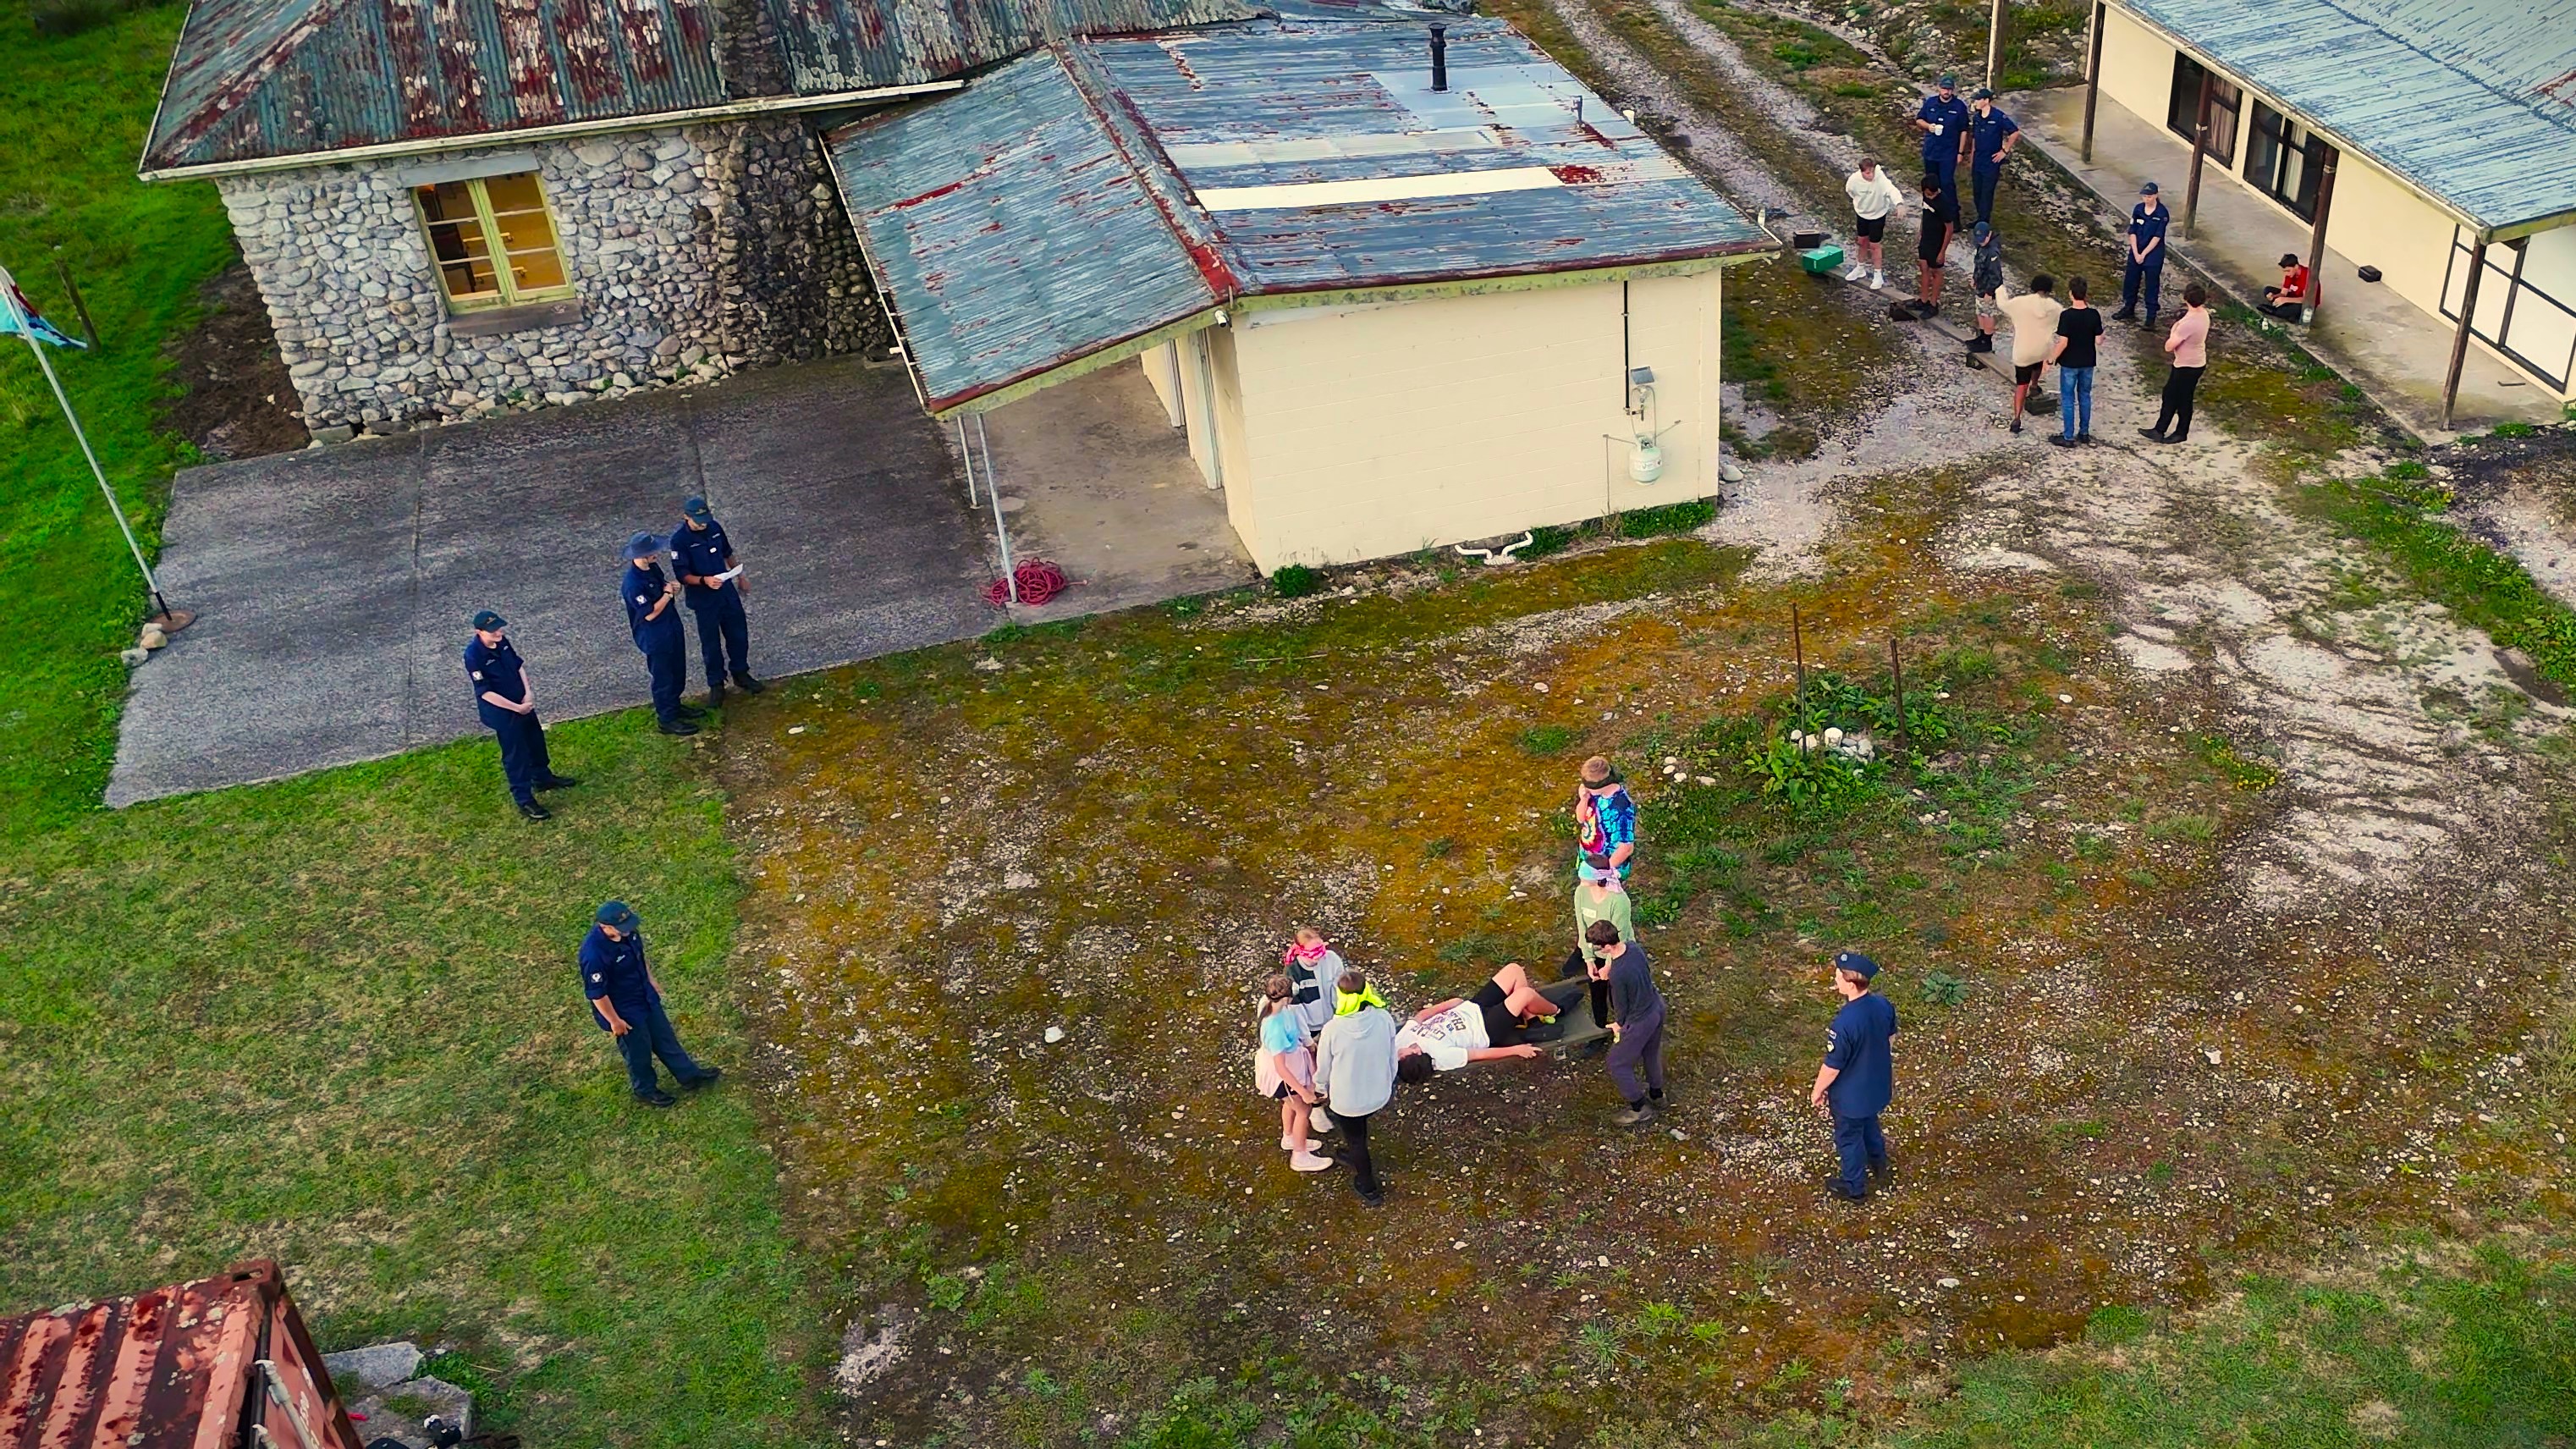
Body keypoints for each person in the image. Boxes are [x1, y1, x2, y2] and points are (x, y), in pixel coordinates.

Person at [582, 901, 723, 1107]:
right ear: (605, 927)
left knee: (665, 1037)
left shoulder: (628, 933)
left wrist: (650, 979)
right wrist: (614, 1021)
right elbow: (597, 994)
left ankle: (689, 1076)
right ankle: (645, 1090)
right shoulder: (594, 954)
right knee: (639, 1051)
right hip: (624, 1010)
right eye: (623, 928)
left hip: (644, 996)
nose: (629, 931)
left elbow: (639, 957)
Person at [463, 609, 576, 820]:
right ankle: (524, 799)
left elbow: (518, 667)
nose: (498, 632)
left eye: (498, 628)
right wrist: (516, 708)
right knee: (516, 755)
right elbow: (485, 692)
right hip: (503, 713)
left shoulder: (503, 642)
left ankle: (542, 778)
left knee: (535, 741)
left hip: (522, 703)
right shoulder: (473, 656)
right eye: (492, 630)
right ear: (479, 632)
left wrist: (527, 693)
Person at [1809, 950, 1897, 1202]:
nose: (1835, 979)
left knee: (1849, 1138)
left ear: (1849, 983)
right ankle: (1879, 1164)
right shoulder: (1882, 1005)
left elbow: (1833, 1066)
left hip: (1851, 1096)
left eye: (1838, 976)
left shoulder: (1844, 1023)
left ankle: (1854, 1187)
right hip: (1877, 1085)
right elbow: (1889, 1038)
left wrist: (1817, 1091)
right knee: (1870, 1123)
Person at [669, 493, 764, 708]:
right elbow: (683, 574)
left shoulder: (714, 528)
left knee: (738, 634)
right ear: (686, 517)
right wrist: (704, 580)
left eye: (705, 521)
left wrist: (740, 576)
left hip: (725, 591)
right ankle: (716, 683)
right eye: (698, 521)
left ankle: (740, 672)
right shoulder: (679, 541)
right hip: (703, 598)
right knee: (711, 642)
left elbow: (727, 553)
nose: (703, 525)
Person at [1313, 970, 1398, 1206]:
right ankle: (1358, 1159)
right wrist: (1389, 1080)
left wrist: (1319, 1088)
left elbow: (1324, 1067)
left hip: (1348, 1101)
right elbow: (1392, 1056)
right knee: (1360, 1128)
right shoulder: (1384, 1018)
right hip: (1379, 1093)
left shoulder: (1333, 1029)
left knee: (1356, 1140)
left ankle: (1368, 1185)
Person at [1390, 964, 1554, 1080]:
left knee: (1514, 970)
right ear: (1417, 1053)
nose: (1399, 1054)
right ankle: (1556, 1010)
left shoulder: (1400, 1044)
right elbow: (1479, 1054)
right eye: (1403, 1056)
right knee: (1526, 994)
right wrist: (1515, 1050)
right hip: (1486, 1028)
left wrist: (1449, 1004)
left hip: (1472, 1008)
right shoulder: (1442, 1058)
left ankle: (1528, 1015)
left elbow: (1420, 1017)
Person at [1588, 921, 1666, 1126]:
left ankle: (1640, 1107)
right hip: (1656, 1006)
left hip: (1640, 1020)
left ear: (1606, 947)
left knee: (1618, 1063)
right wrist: (1609, 967)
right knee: (1651, 1052)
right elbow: (1641, 969)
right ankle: (1657, 1095)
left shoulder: (1618, 975)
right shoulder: (1633, 947)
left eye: (1597, 947)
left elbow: (1621, 1007)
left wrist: (1618, 1025)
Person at [623, 532, 700, 737]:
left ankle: (675, 705)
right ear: (641, 555)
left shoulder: (652, 569)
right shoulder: (633, 584)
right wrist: (668, 594)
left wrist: (672, 588)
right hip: (655, 636)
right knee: (663, 676)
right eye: (652, 552)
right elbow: (648, 614)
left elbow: (664, 589)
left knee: (677, 670)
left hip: (670, 626)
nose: (656, 554)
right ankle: (667, 719)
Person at [1257, 975, 1333, 1172]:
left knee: (1290, 1105)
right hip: (1283, 1078)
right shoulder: (1275, 1027)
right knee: (1303, 1110)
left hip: (1291, 1069)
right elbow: (1281, 1068)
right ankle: (1300, 1156)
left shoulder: (1279, 1011)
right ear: (1287, 998)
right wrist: (1304, 1091)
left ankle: (1290, 1137)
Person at [1558, 853, 1632, 1040]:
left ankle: (1627, 1027)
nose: (1579, 877)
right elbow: (1581, 927)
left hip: (1618, 954)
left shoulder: (1619, 901)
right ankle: (1599, 1033)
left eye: (1583, 874)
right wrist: (1589, 960)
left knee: (1618, 995)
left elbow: (1620, 936)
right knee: (1597, 994)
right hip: (1595, 951)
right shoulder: (1581, 893)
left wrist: (1608, 965)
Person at [2143, 284, 2211, 444]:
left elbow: (2169, 346)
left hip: (2187, 365)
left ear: (2186, 299)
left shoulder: (2188, 323)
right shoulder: (2203, 315)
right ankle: (2161, 429)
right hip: (2194, 362)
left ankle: (2178, 431)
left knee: (2181, 399)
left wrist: (2174, 330)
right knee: (2172, 394)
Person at [1997, 273, 2061, 435]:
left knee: (2021, 385)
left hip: (2023, 350)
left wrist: (1999, 288)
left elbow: (2003, 304)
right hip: (2042, 348)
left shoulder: (2020, 303)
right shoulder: (2054, 307)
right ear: (2049, 290)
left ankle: (2017, 418)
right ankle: (2035, 386)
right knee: (2038, 363)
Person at [2047, 275, 2104, 447]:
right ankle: (2084, 432)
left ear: (2071, 294)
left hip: (2070, 363)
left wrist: (2051, 359)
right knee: (2085, 396)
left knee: (2068, 399)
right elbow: (2099, 340)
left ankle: (2068, 436)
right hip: (2088, 361)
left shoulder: (2067, 316)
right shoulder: (2094, 314)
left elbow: (2063, 343)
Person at [2111, 181, 2169, 326]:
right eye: (2145, 196)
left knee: (2151, 283)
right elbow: (2133, 231)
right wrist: (2136, 252)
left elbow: (2158, 236)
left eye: (2150, 196)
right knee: (2131, 280)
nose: (2147, 199)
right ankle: (2128, 307)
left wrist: (2144, 254)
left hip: (2153, 253)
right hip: (2136, 250)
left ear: (2156, 196)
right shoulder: (2138, 209)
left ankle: (2150, 316)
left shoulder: (2162, 213)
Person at [1842, 157, 1905, 290]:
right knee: (1862, 241)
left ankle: (1878, 274)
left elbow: (1892, 190)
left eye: (1872, 172)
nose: (1870, 175)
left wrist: (1899, 204)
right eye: (1867, 173)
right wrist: (1860, 203)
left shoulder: (1880, 179)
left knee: (1875, 244)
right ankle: (1860, 268)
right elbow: (1850, 191)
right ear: (1862, 172)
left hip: (1878, 215)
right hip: (1862, 214)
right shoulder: (1853, 180)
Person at [1573, 757, 1635, 879]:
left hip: (1607, 866)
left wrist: (1604, 874)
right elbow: (1581, 819)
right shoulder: (1591, 793)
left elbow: (1626, 848)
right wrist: (1584, 799)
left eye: (1589, 785)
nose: (1585, 787)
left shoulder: (1620, 807)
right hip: (1588, 856)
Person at [1965, 88, 2019, 225]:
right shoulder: (1977, 118)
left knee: (1987, 193)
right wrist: (1971, 158)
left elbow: (2014, 132)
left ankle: (1984, 221)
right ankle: (1980, 218)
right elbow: (1975, 139)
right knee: (1977, 191)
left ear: (1986, 101)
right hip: (1978, 159)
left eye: (1978, 100)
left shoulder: (1998, 116)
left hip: (1991, 160)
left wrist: (2004, 151)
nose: (1976, 102)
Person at [1281, 928, 1346, 1041]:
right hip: (1310, 1029)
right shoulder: (1292, 971)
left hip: (1333, 1022)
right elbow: (1295, 1009)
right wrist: (1307, 1039)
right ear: (1301, 951)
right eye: (1313, 952)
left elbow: (1340, 990)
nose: (1319, 956)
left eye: (1321, 949)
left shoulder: (1332, 959)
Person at [1913, 74, 1971, 192]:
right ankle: (1931, 207)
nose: (1947, 92)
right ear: (1939, 88)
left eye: (1949, 89)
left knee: (1946, 182)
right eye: (1944, 89)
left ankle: (1950, 208)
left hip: (1949, 152)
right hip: (1931, 150)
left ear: (1953, 90)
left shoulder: (1959, 107)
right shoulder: (1930, 102)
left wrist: (1960, 153)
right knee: (1930, 181)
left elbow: (1964, 131)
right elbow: (1919, 120)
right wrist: (1929, 126)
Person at [1914, 176, 1959, 313]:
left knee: (1936, 272)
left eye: (1933, 194)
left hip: (1937, 242)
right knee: (1923, 267)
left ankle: (1933, 304)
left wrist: (1942, 251)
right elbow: (1925, 214)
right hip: (1926, 238)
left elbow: (1950, 229)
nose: (1930, 196)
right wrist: (1921, 231)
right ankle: (1923, 300)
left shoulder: (1944, 204)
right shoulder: (1925, 196)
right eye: (1928, 194)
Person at [1966, 221, 2005, 358]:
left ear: (1989, 235)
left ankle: (1987, 341)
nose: (1981, 242)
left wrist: (1990, 292)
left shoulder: (1993, 252)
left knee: (1987, 314)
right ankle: (1981, 336)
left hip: (1988, 289)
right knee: (1980, 312)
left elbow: (1996, 276)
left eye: (1983, 239)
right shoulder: (1982, 247)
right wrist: (1975, 278)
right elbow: (1979, 265)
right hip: (1980, 286)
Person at [2261, 252, 2312, 321]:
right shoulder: (2290, 274)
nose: (2286, 274)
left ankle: (2277, 311)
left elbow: (2306, 300)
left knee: (2299, 308)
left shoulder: (2307, 276)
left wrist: (2285, 300)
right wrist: (2274, 296)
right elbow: (2284, 293)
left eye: (2288, 271)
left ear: (2296, 267)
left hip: (2303, 302)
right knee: (2267, 290)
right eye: (2284, 271)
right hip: (2292, 296)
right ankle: (2284, 311)